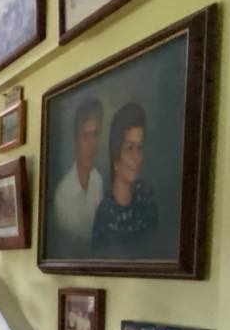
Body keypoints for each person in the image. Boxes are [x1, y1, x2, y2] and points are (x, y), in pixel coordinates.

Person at [92, 102, 158, 255]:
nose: (136, 157)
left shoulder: (146, 196)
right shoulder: (105, 215)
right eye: (129, 148)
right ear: (115, 156)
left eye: (139, 148)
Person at [53, 98, 104, 252]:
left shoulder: (98, 180)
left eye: (95, 135)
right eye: (86, 136)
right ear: (76, 142)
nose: (92, 145)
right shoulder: (63, 195)